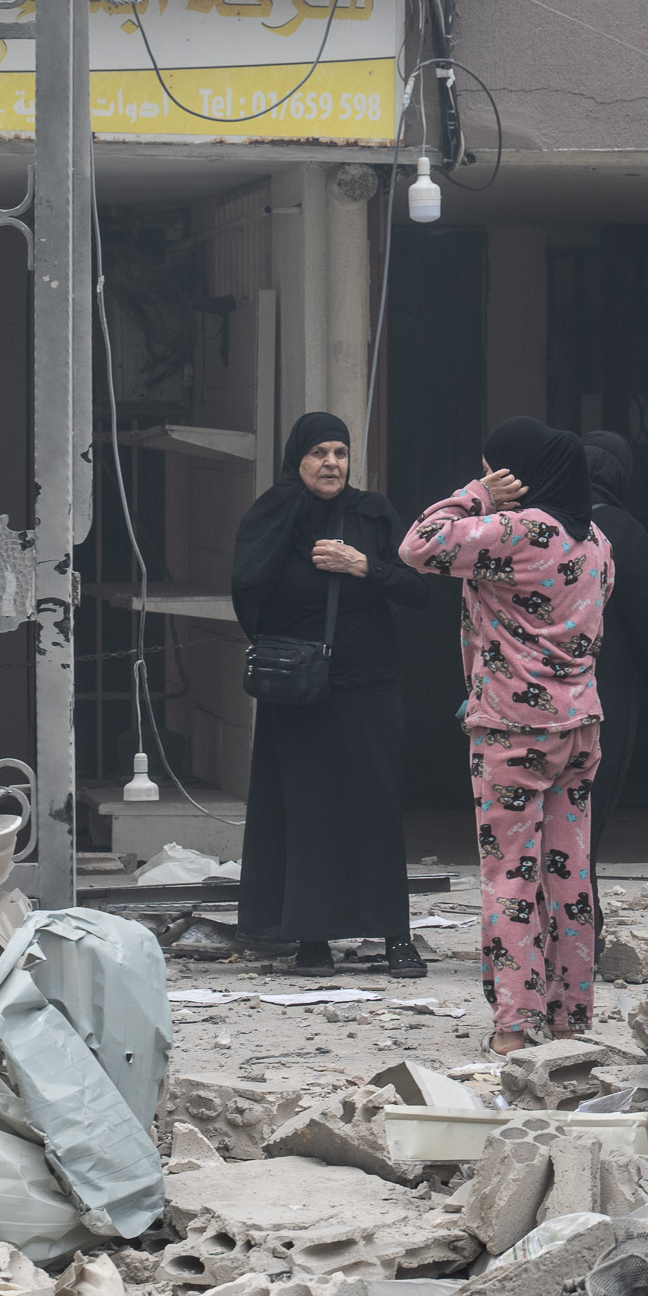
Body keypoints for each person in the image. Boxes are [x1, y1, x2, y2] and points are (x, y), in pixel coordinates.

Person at [400, 417, 615, 1052]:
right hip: (580, 725)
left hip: (513, 732)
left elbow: (418, 546)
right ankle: (570, 1017)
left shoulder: (516, 533)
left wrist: (477, 495)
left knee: (511, 878)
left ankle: (515, 1026)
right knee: (570, 874)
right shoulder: (596, 541)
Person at [231, 411, 429, 977]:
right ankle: (311, 938)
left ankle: (395, 935)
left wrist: (364, 566)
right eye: (319, 453)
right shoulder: (272, 515)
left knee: (376, 807)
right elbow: (246, 587)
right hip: (298, 692)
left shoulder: (373, 514)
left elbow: (418, 590)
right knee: (306, 810)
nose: (331, 463)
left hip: (368, 687)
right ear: (297, 459)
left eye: (340, 453)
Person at [580, 430, 648, 861]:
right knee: (585, 817)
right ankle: (579, 904)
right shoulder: (623, 532)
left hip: (528, 696)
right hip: (603, 696)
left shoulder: (534, 527)